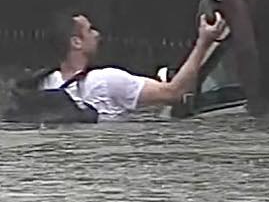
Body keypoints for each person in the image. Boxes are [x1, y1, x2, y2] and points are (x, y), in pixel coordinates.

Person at [5, 9, 226, 123]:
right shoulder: (107, 81)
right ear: (76, 42)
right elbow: (174, 92)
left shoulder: (40, 85)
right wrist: (204, 42)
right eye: (90, 30)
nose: (97, 34)